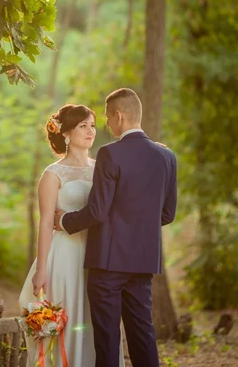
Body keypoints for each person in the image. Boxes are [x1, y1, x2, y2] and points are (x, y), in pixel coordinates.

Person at [54, 88, 178, 367]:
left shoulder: (110, 154)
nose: (107, 125)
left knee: (108, 338)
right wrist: (138, 223)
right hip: (144, 261)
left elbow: (97, 212)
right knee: (142, 332)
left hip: (108, 264)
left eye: (108, 119)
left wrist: (63, 220)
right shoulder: (167, 157)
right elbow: (168, 214)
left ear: (119, 116)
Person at [19, 104, 125, 367]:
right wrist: (41, 268)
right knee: (69, 316)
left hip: (99, 252)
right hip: (66, 254)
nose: (91, 131)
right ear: (65, 133)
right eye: (82, 126)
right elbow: (46, 223)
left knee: (98, 319)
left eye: (92, 125)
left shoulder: (102, 167)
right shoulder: (53, 174)